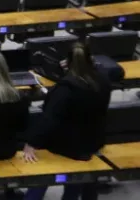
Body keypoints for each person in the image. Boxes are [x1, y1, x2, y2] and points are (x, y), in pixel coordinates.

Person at [22, 41, 111, 200]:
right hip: (93, 142)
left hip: (68, 146)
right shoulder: (103, 81)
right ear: (91, 60)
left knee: (40, 162)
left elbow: (49, 119)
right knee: (81, 180)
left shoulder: (65, 89)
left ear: (68, 62)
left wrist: (31, 143)